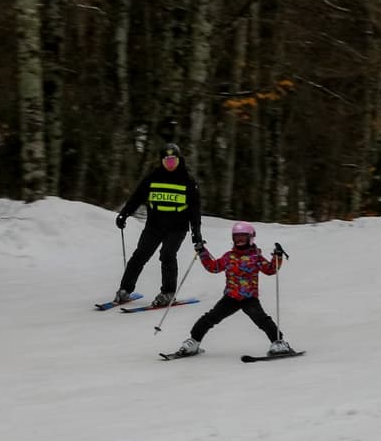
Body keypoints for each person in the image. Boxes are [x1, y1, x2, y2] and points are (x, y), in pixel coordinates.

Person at [174, 221, 291, 357]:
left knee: (262, 320)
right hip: (230, 298)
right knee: (210, 318)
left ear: (251, 238)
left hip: (249, 298)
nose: (239, 240)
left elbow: (270, 270)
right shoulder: (229, 256)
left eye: (243, 237)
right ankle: (193, 341)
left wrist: (277, 256)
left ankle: (278, 342)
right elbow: (214, 267)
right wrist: (203, 252)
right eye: (236, 237)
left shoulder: (256, 257)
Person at [113, 143, 203, 306]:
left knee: (167, 254)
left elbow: (195, 210)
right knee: (140, 255)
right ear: (161, 161)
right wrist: (124, 214)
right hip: (154, 226)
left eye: (173, 160)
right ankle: (125, 290)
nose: (170, 164)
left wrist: (196, 232)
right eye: (167, 160)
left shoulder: (188, 181)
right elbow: (137, 197)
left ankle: (168, 293)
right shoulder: (152, 178)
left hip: (177, 228)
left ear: (179, 160)